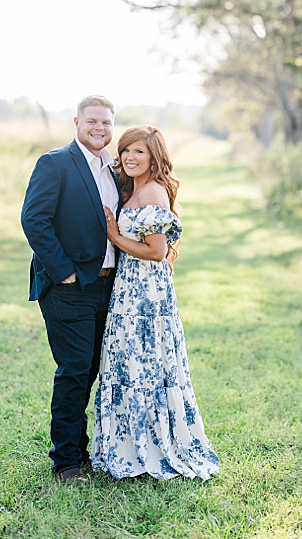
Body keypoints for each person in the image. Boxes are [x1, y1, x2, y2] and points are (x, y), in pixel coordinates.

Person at [91, 125, 219, 480]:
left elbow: (157, 251)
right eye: (126, 151)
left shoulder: (153, 192)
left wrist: (115, 237)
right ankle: (127, 443)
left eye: (140, 152)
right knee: (126, 363)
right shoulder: (131, 188)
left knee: (146, 365)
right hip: (127, 288)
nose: (131, 158)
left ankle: (154, 445)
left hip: (147, 293)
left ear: (154, 157)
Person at [21, 95, 121, 484]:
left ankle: (83, 450)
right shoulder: (56, 162)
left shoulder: (113, 169)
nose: (100, 128)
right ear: (76, 122)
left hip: (109, 287)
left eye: (107, 123)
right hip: (69, 288)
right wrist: (63, 272)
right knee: (75, 371)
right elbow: (34, 220)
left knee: (94, 370)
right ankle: (66, 462)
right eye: (93, 121)